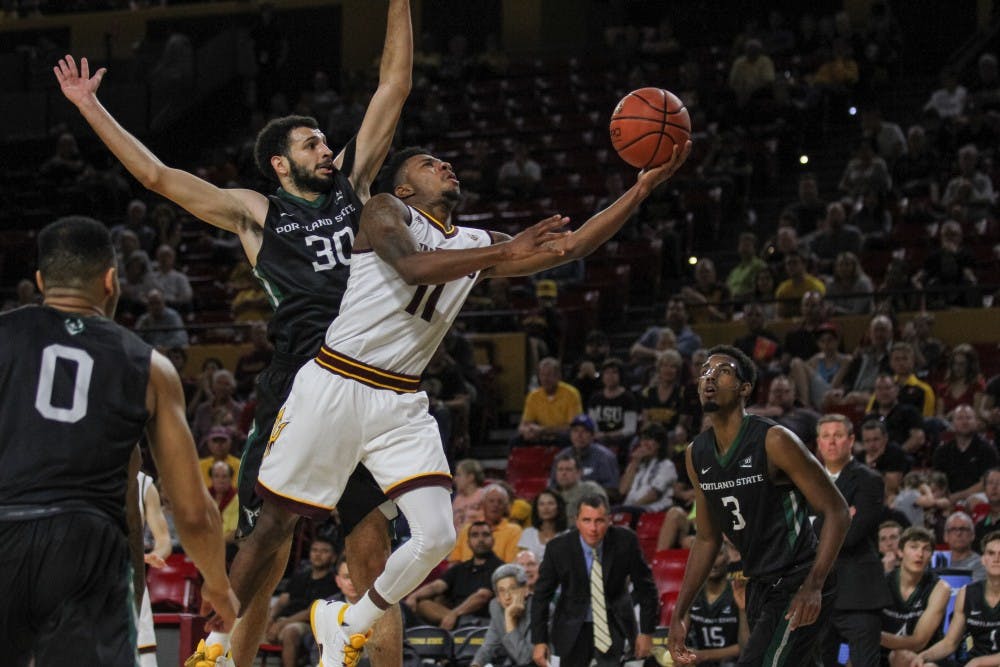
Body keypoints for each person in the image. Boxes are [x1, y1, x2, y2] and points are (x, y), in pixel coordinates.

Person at [54, 1, 413, 661]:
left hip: (362, 381)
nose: (326, 149)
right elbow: (158, 177)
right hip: (296, 388)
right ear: (279, 163)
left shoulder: (353, 187)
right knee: (264, 558)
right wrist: (90, 109)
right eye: (311, 143)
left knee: (374, 557)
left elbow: (394, 83)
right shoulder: (255, 213)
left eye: (324, 141)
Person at [271, 142, 691, 663]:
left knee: (437, 538)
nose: (446, 164)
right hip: (339, 379)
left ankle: (346, 622)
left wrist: (642, 188)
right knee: (274, 521)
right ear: (404, 188)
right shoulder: (386, 209)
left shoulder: (472, 241)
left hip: (400, 395)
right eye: (429, 164)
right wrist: (504, 252)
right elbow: (413, 267)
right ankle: (224, 641)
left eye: (446, 161)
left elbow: (573, 247)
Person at [0, 217, 238, 664]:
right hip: (86, 547)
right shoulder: (149, 366)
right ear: (111, 282)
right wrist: (218, 585)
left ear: (39, 282)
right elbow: (190, 508)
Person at [667, 345, 850, 665]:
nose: (709, 378)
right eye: (705, 372)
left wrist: (814, 584)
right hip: (758, 584)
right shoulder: (696, 455)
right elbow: (708, 539)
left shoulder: (774, 440)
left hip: (798, 577)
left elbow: (837, 511)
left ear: (744, 389)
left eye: (722, 371)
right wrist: (679, 613)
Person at [530, 494, 659, 666]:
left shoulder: (626, 541)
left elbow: (646, 589)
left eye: (599, 520)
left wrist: (647, 632)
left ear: (609, 520)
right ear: (576, 521)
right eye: (587, 520)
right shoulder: (558, 548)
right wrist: (539, 641)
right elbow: (540, 596)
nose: (593, 528)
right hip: (570, 627)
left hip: (615, 624)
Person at [815, 413, 892, 667]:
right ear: (818, 442)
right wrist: (839, 520)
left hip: (859, 593)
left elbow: (852, 536)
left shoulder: (869, 480)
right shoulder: (807, 480)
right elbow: (795, 532)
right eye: (826, 436)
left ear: (851, 440)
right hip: (817, 594)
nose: (832, 442)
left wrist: (815, 524)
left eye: (838, 435)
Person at [906, 530, 1000, 666]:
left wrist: (980, 662)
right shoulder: (967, 593)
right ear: (983, 559)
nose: (996, 559)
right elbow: (950, 643)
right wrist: (924, 656)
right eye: (991, 553)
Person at [404, 521, 503, 629]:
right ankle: (462, 623)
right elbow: (437, 586)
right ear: (468, 542)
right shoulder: (460, 568)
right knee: (423, 604)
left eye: (485, 535)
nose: (480, 539)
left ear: (493, 540)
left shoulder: (500, 568)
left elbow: (482, 597)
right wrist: (414, 596)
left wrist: (454, 614)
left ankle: (461, 623)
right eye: (475, 535)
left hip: (484, 620)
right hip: (453, 617)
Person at [880, 526, 951, 667]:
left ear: (931, 555)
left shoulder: (940, 588)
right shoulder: (881, 583)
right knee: (854, 656)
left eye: (926, 549)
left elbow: (919, 641)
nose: (920, 554)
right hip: (882, 652)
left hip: (924, 655)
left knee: (904, 657)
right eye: (914, 547)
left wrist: (874, 636)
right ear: (900, 552)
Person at [264, 536, 339, 667]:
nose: (318, 554)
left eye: (324, 551)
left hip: (310, 625)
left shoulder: (333, 581)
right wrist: (270, 619)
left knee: (290, 632)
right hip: (284, 620)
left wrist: (281, 624)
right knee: (247, 626)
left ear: (333, 557)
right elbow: (282, 601)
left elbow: (309, 613)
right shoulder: (301, 575)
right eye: (314, 550)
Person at [684, 543, 747, 667]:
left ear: (728, 558)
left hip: (731, 662)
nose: (712, 560)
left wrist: (704, 655)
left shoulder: (738, 591)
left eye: (718, 554)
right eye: (707, 554)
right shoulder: (692, 593)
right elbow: (679, 638)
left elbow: (745, 647)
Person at [137, 469, 173, 667]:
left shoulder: (144, 484)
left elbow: (164, 540)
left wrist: (155, 555)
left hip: (128, 578)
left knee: (143, 657)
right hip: (84, 578)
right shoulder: (80, 473)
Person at [471, 563, 534, 667]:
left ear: (526, 589)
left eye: (512, 588)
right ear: (497, 597)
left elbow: (526, 659)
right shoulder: (497, 608)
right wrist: (476, 664)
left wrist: (509, 620)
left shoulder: (541, 610)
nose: (507, 596)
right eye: (502, 591)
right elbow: (488, 647)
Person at [514, 357, 582, 447]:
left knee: (567, 438)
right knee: (516, 440)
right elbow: (525, 423)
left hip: (560, 435)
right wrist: (525, 430)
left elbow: (574, 426)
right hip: (539, 435)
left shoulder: (571, 393)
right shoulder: (533, 396)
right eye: (542, 375)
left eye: (549, 375)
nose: (545, 379)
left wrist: (543, 430)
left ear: (558, 376)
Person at [450, 483, 523, 564]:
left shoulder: (514, 531)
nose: (495, 505)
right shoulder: (467, 529)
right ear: (483, 504)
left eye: (500, 502)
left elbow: (510, 565)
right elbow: (454, 562)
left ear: (505, 507)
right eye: (491, 501)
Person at [550, 414, 621, 494]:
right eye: (575, 431)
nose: (579, 435)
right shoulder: (561, 457)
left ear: (592, 435)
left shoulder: (605, 457)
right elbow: (553, 487)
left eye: (585, 431)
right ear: (570, 434)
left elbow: (612, 490)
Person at [617, 422, 678, 514]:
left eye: (649, 439)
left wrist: (630, 508)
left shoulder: (667, 466)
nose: (644, 443)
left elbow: (654, 495)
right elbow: (622, 490)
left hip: (650, 512)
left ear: (659, 444)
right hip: (629, 510)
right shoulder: (637, 464)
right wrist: (634, 462)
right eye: (643, 439)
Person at [551, 452, 609, 523]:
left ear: (579, 473)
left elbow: (601, 515)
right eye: (560, 469)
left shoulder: (591, 489)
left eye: (568, 469)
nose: (563, 473)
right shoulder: (552, 494)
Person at [517, 489, 567, 561]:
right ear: (536, 509)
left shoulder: (567, 536)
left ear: (559, 507)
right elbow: (520, 561)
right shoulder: (528, 533)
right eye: (541, 504)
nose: (546, 508)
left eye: (550, 503)